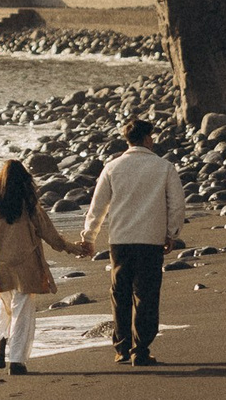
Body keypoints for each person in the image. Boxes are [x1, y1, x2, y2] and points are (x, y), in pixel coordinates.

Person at [77, 118, 186, 366]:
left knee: (120, 293)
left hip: (121, 240)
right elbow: (177, 204)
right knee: (146, 295)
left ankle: (122, 347)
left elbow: (98, 207)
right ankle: (141, 349)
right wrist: (172, 233)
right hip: (151, 239)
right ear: (147, 138)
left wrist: (89, 237)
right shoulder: (164, 167)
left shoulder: (112, 167)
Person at [0, 158, 72, 376]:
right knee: (23, 310)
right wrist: (71, 248)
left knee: (3, 305)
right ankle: (18, 361)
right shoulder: (29, 204)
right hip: (26, 264)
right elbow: (48, 233)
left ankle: (0, 343)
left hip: (1, 265)